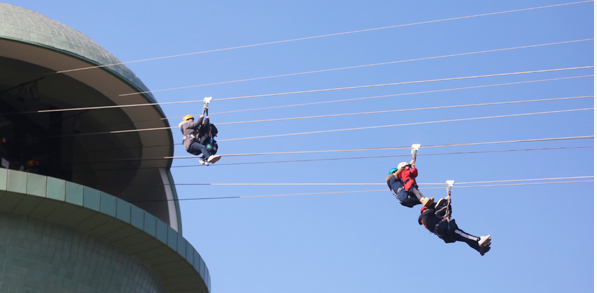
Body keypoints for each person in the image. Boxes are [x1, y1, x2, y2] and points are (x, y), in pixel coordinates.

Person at [418, 197, 491, 256]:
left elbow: (445, 212)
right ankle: (478, 239)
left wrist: (448, 204)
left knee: (464, 238)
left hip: (444, 233)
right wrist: (444, 200)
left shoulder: (432, 218)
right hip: (444, 228)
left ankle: (480, 249)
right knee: (463, 234)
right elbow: (434, 207)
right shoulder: (425, 215)